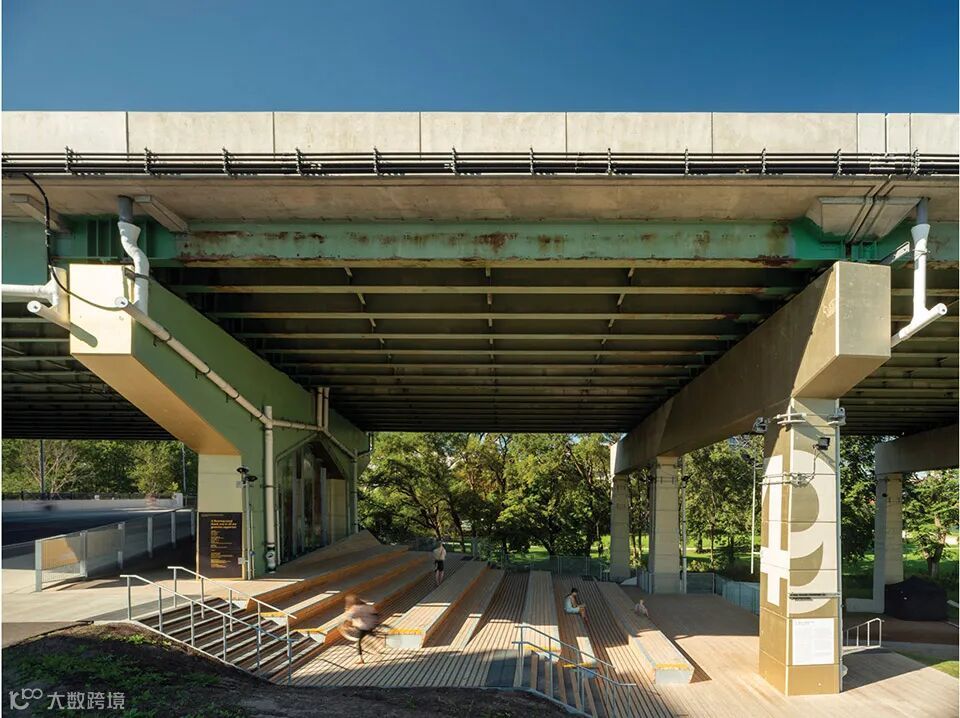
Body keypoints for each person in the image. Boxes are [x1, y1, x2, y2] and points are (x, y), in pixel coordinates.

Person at [341, 593, 379, 665]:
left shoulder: (355, 608)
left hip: (363, 627)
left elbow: (349, 617)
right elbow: (374, 612)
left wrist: (346, 610)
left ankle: (360, 659)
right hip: (372, 623)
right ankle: (374, 638)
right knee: (369, 633)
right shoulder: (366, 605)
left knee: (358, 642)